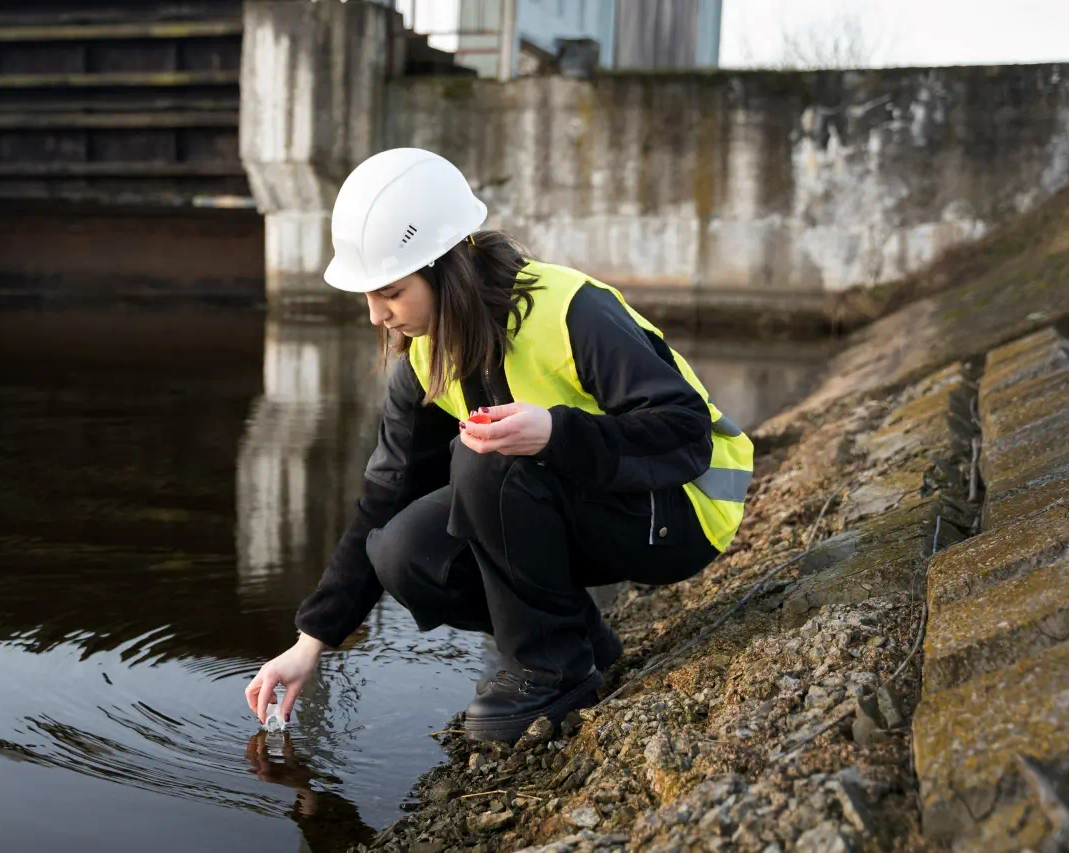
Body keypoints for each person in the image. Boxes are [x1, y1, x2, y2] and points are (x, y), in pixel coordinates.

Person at [244, 148, 753, 743]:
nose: (377, 315)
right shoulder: (425, 355)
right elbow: (382, 498)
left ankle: (550, 673)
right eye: (369, 295)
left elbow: (685, 431)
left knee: (484, 462)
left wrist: (558, 433)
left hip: (683, 509)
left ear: (446, 267)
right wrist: (312, 641)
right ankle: (580, 644)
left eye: (391, 291)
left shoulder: (570, 310)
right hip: (598, 501)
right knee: (403, 552)